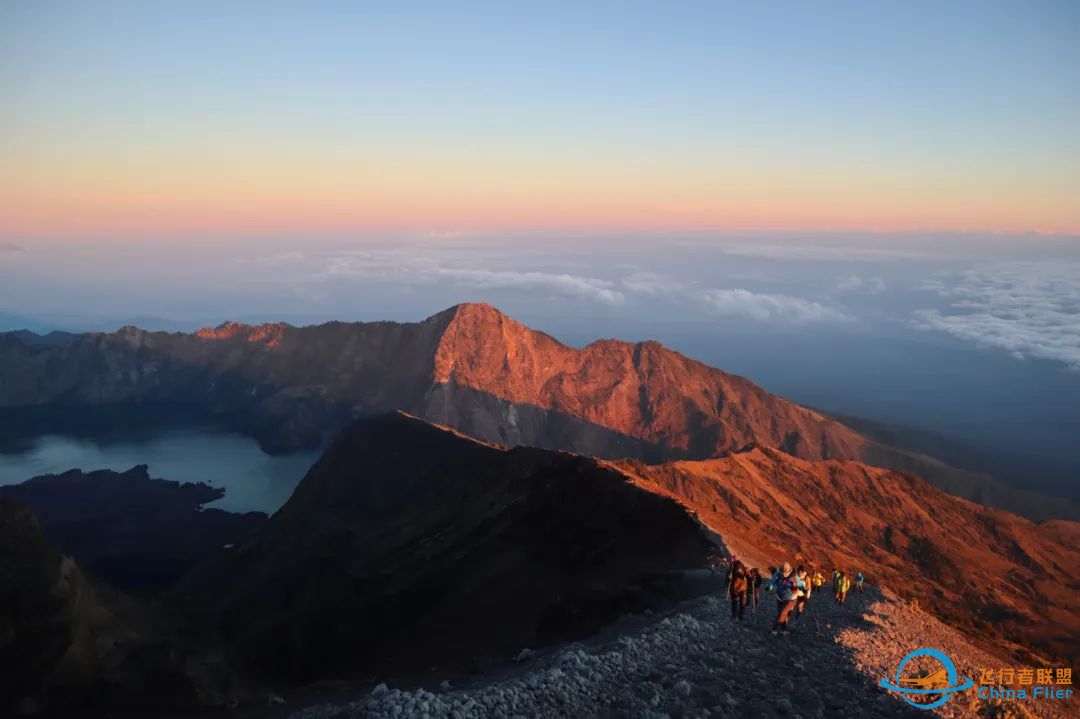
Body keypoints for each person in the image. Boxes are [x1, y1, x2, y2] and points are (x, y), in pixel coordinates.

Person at [768, 562, 805, 634]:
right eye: (783, 573)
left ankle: (774, 628)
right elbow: (773, 581)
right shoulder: (778, 574)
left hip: (791, 598)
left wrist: (803, 589)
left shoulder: (794, 576)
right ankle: (783, 629)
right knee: (783, 613)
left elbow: (800, 584)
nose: (784, 575)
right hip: (779, 597)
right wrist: (769, 587)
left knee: (783, 612)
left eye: (785, 573)